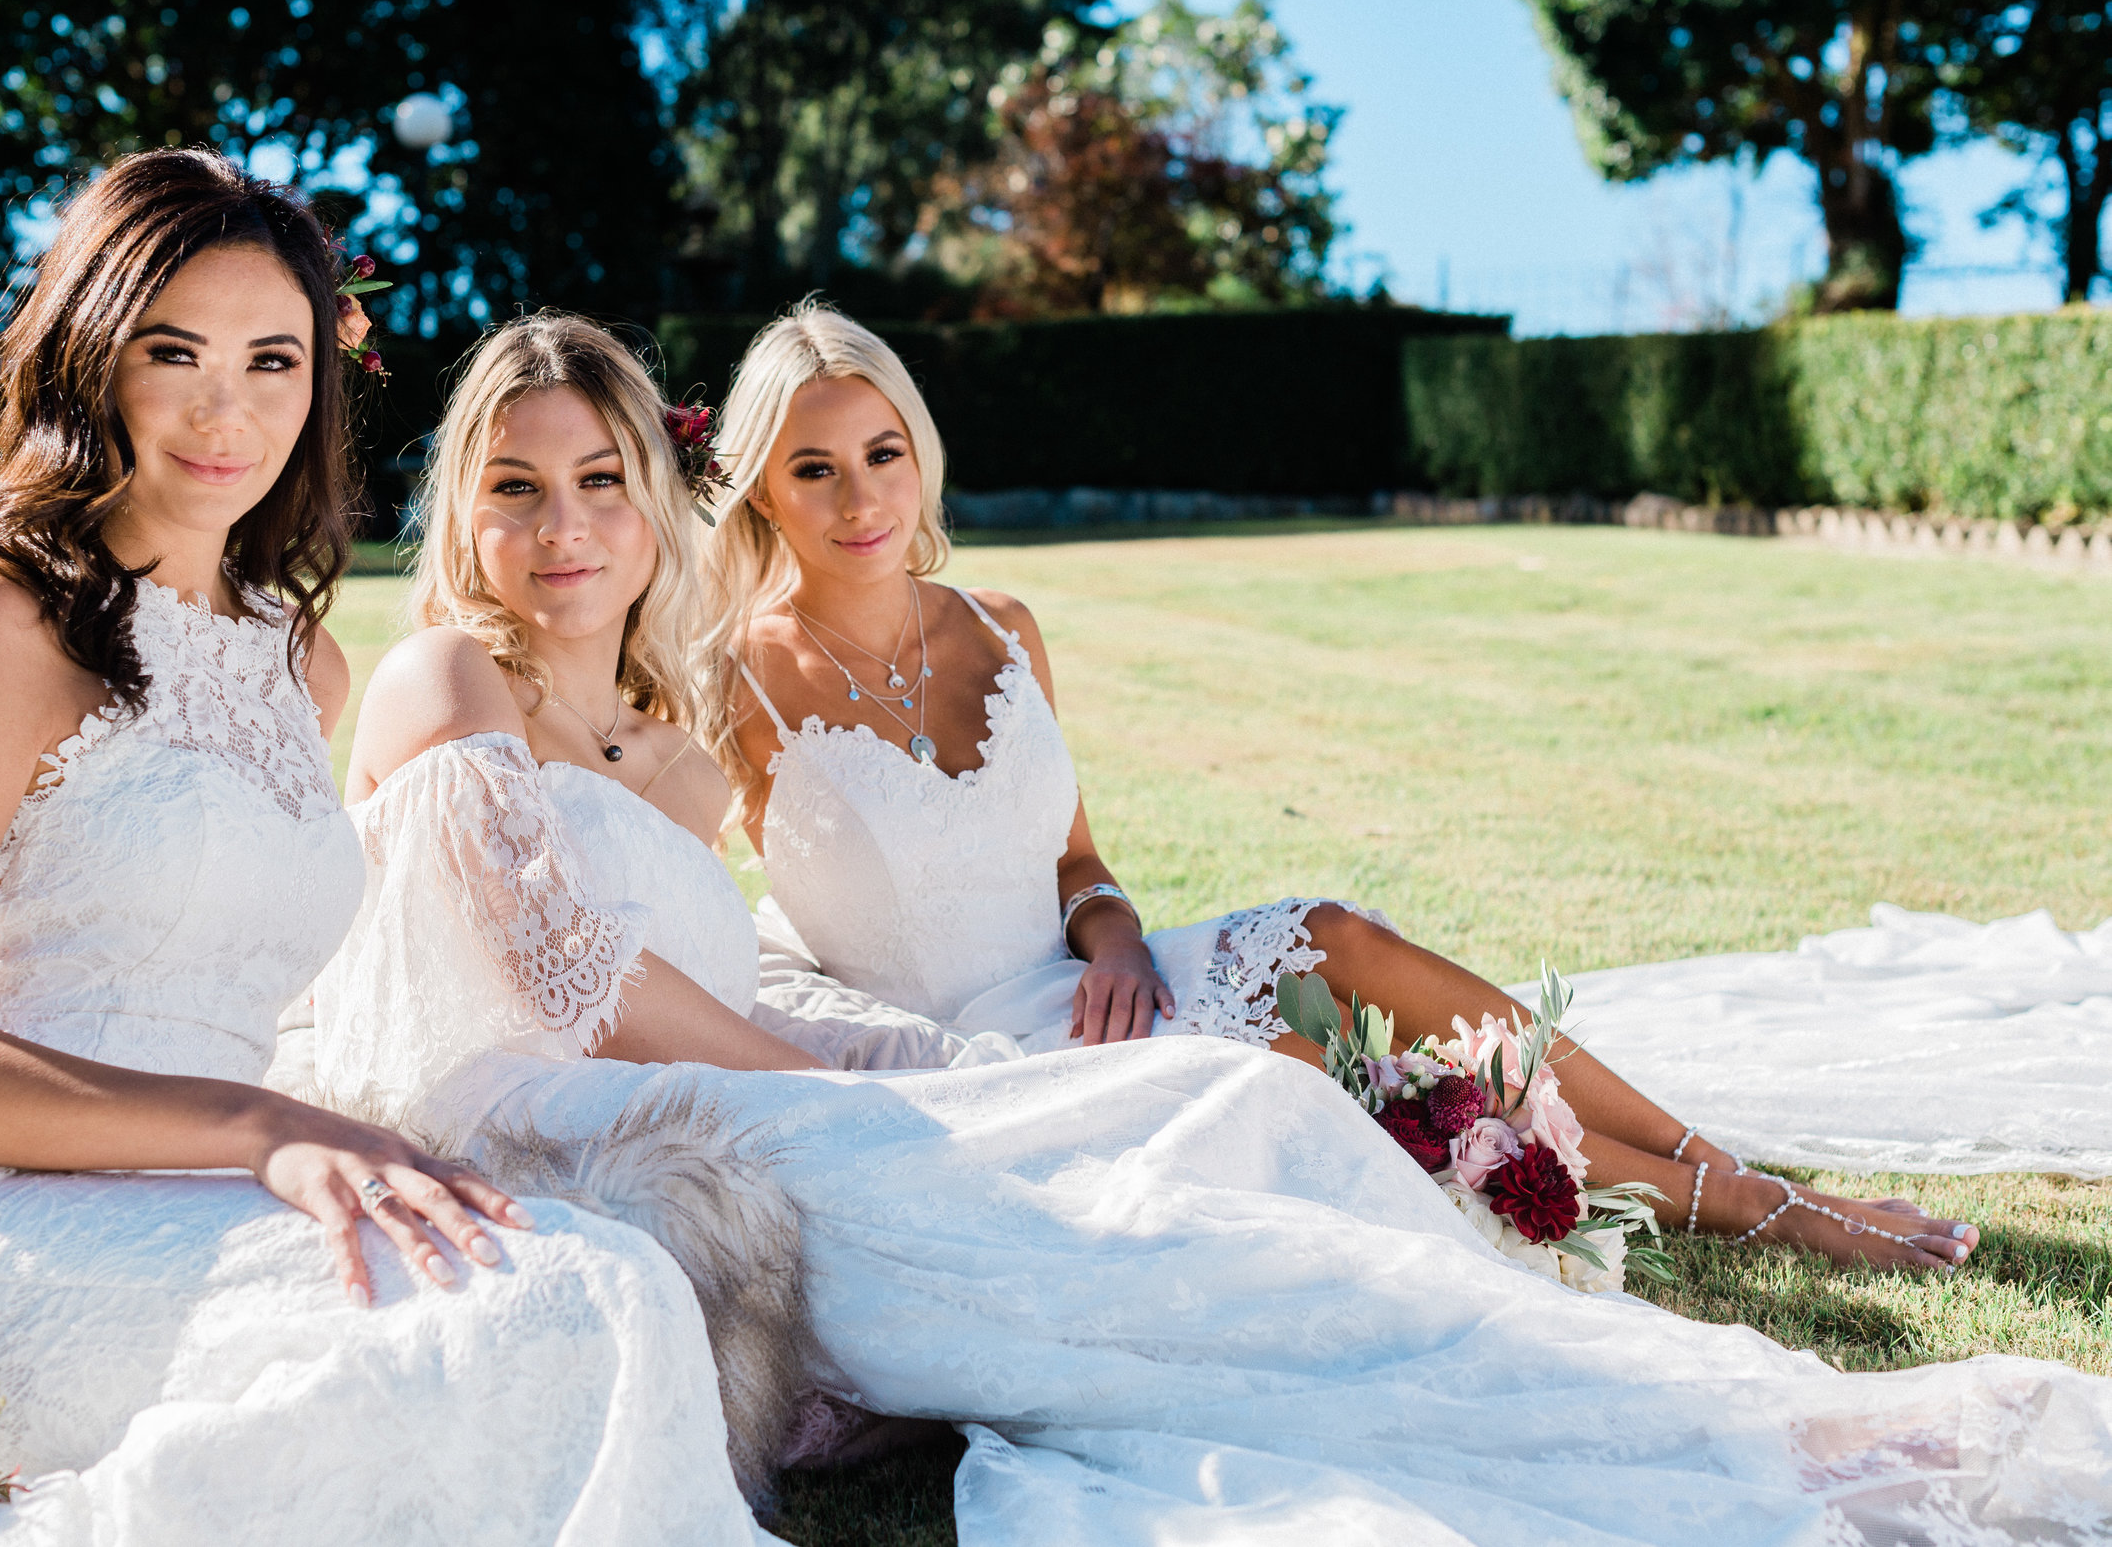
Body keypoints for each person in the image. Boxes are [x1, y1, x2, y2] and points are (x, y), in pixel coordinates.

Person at [309, 309, 2112, 1546]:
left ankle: (1674, 1280)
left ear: (649, 491)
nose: (564, 524)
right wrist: (861, 1064)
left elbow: (733, 951)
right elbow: (585, 981)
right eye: (518, 485)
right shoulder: (493, 677)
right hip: (653, 1124)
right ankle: (1719, 1437)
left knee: (1263, 1099)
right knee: (1165, 1207)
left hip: (845, 1060)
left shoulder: (662, 727)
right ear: (466, 499)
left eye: (599, 478)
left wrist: (1011, 980)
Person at [0, 151, 767, 1546]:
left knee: (615, 1281)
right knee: (536, 1325)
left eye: (273, 358)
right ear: (88, 357)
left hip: (229, 1182)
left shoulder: (301, 664)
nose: (225, 408)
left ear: (321, 383)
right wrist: (270, 1128)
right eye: (172, 350)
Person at [691, 300, 1989, 1275]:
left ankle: (1711, 1156)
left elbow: (1076, 863)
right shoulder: (724, 682)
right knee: (1328, 1065)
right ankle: (1776, 1214)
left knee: (1339, 937)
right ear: (761, 483)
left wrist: (1121, 935)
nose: (861, 494)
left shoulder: (1006, 623)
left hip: (1094, 984)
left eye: (883, 451)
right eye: (815, 466)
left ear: (919, 451)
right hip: (973, 1053)